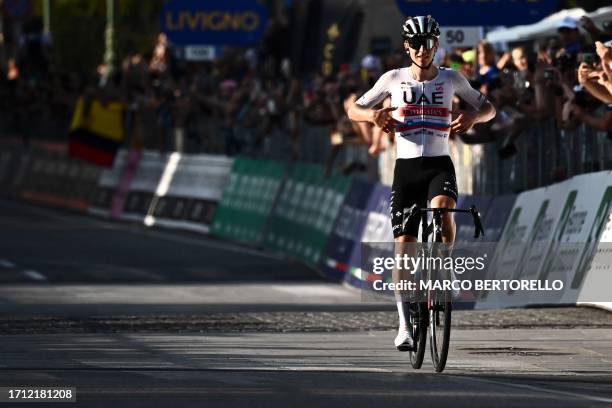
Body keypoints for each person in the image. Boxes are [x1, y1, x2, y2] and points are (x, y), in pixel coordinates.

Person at [347, 15, 496, 351]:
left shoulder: (452, 79)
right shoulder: (392, 79)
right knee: (404, 248)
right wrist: (372, 115)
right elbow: (354, 110)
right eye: (417, 43)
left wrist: (473, 115)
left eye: (429, 43)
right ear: (406, 46)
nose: (423, 49)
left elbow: (489, 109)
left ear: (436, 45)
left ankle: (445, 264)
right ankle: (403, 325)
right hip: (406, 169)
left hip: (439, 165)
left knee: (444, 212)